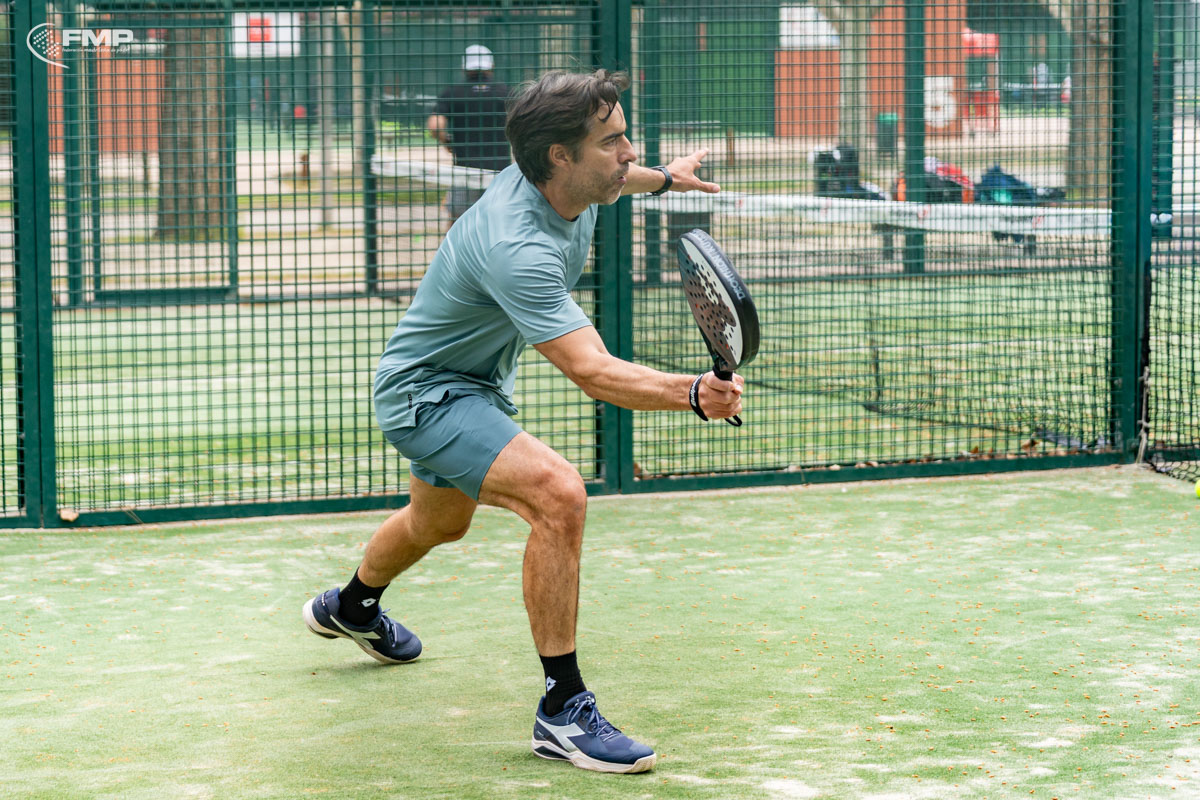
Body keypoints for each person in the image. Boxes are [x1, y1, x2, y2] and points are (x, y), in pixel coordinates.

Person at [304, 69, 744, 774]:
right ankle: (562, 709)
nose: (628, 151)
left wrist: (666, 179)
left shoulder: (571, 180)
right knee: (558, 495)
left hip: (472, 384)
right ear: (559, 157)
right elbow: (592, 371)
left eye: (626, 135)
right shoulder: (519, 246)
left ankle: (352, 606)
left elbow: (621, 175)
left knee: (438, 524)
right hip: (426, 394)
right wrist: (691, 391)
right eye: (612, 141)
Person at [426, 45, 512, 226]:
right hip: (500, 172)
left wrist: (446, 141)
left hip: (464, 170)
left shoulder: (453, 93)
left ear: (464, 67)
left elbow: (435, 125)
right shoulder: (505, 92)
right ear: (491, 66)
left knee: (458, 222)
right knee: (499, 223)